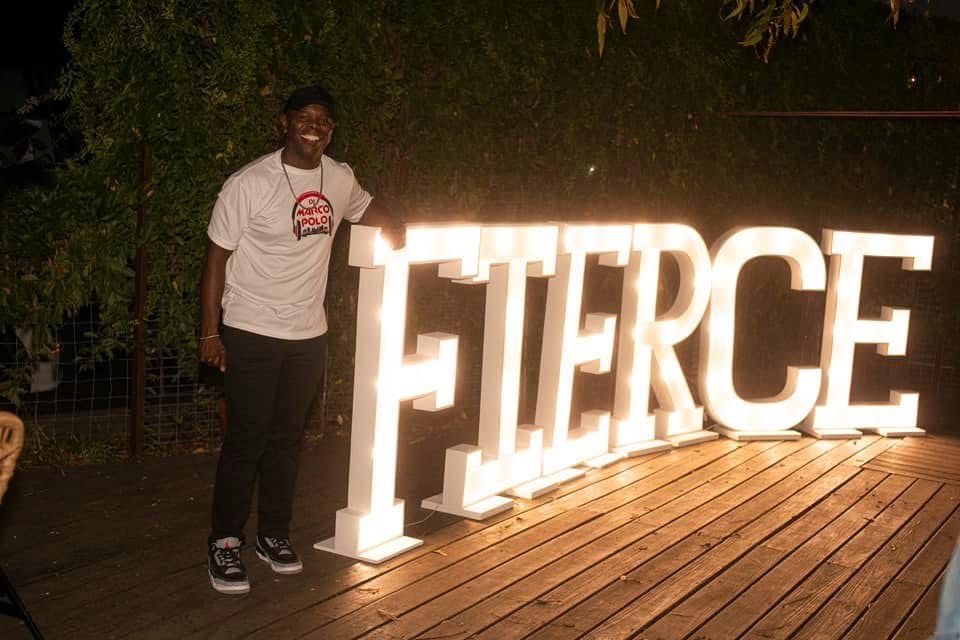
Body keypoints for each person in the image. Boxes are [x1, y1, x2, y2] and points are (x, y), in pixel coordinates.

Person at [199, 85, 402, 595]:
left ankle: (273, 534)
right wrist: (209, 332)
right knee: (246, 440)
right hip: (250, 328)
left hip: (308, 335)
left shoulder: (338, 177)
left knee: (288, 439)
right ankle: (225, 543)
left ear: (331, 130)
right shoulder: (249, 183)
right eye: (304, 117)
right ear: (284, 122)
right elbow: (216, 259)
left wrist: (396, 223)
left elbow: (365, 207)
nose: (314, 126)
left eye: (324, 120)